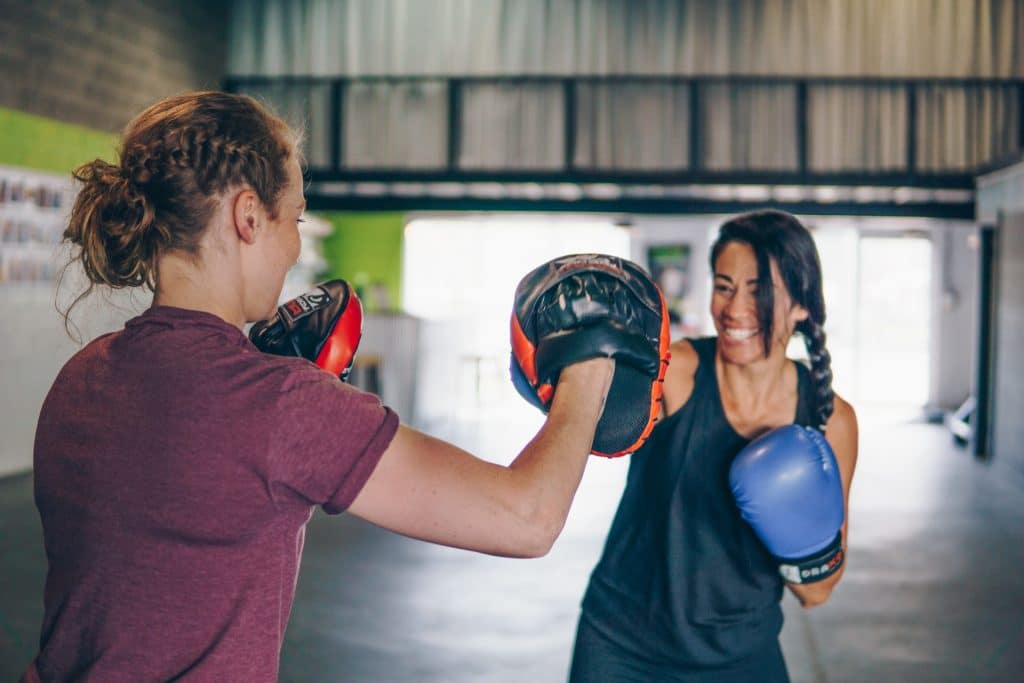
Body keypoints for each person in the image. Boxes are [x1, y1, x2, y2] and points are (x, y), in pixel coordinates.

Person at [23, 91, 618, 682]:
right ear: (249, 216)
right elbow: (527, 518)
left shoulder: (82, 376)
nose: (295, 246)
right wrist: (588, 369)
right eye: (297, 217)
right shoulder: (278, 405)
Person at [568, 210, 859, 682]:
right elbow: (591, 414)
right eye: (724, 286)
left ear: (802, 305)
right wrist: (581, 358)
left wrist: (794, 525)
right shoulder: (676, 372)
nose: (735, 309)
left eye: (759, 290)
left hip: (743, 654)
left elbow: (817, 591)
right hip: (624, 647)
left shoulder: (830, 419)